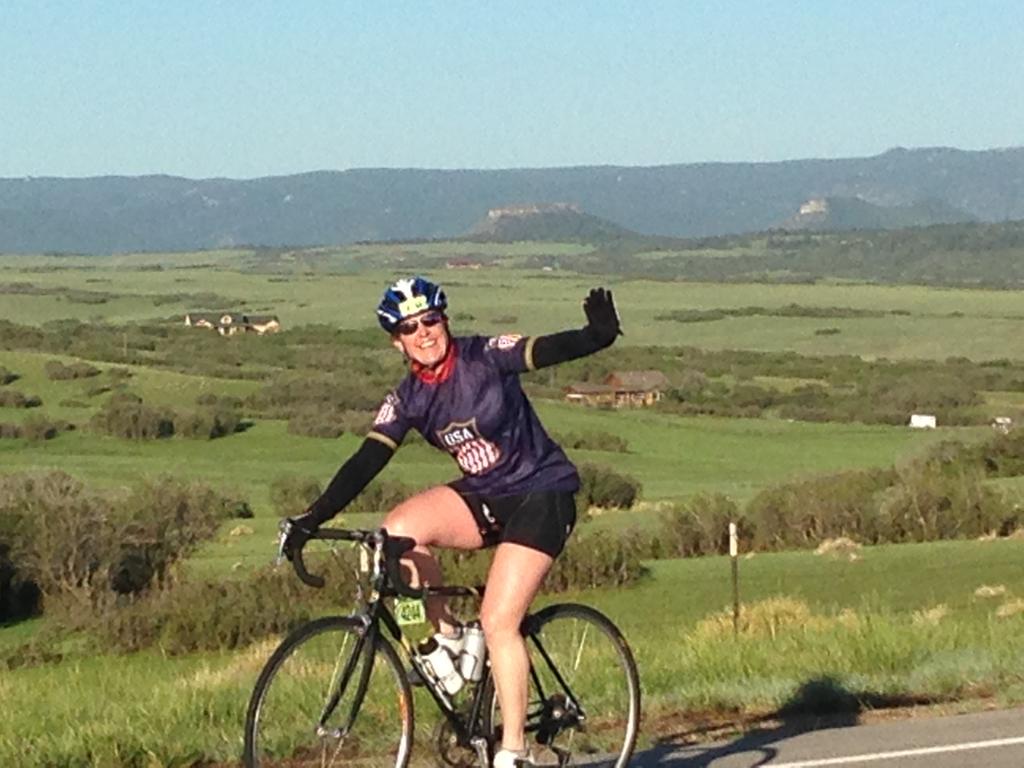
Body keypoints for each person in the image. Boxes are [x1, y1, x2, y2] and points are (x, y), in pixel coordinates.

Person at [283, 276, 621, 768]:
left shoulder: (484, 356)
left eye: (431, 320)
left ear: (445, 320)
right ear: (396, 341)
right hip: (486, 495)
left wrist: (595, 337)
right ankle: (446, 638)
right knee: (395, 535)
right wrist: (312, 518)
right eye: (409, 327)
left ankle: (513, 750)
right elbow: (366, 461)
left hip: (542, 492)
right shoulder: (408, 398)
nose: (423, 332)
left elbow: (544, 350)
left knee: (499, 621)